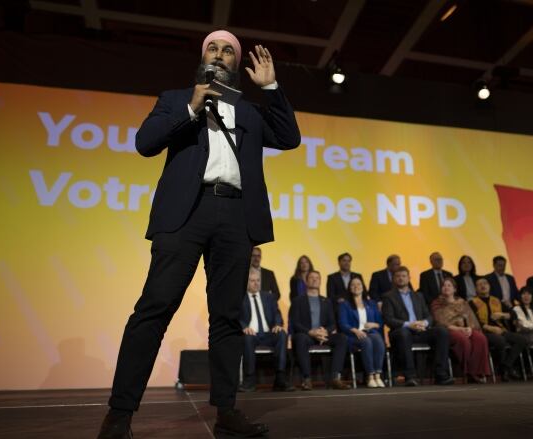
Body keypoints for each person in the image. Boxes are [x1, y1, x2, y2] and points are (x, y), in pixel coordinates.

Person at [98, 30, 301, 439]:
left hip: (236, 216)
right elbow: (144, 144)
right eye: (214, 47)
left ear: (235, 62)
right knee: (154, 309)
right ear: (202, 55)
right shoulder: (174, 98)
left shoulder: (249, 111)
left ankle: (226, 411)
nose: (221, 54)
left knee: (226, 318)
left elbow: (290, 138)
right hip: (186, 214)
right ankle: (119, 414)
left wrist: (273, 88)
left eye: (229, 50)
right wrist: (191, 109)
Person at [382, 266, 453, 386]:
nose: (401, 278)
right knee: (404, 333)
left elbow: (429, 316)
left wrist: (423, 323)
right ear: (393, 279)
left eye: (404, 276)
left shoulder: (418, 296)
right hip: (401, 332)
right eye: (398, 276)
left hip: (420, 331)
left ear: (409, 278)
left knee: (442, 332)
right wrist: (410, 325)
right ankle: (410, 376)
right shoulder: (388, 296)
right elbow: (388, 319)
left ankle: (441, 374)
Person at [288, 271, 351, 390]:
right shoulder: (298, 300)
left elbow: (333, 323)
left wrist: (325, 331)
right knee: (300, 338)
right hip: (306, 335)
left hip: (323, 336)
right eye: (311, 278)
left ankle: (335, 378)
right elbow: (295, 323)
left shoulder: (326, 301)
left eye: (317, 278)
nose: (314, 280)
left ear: (320, 281)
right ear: (306, 281)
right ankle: (307, 379)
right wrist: (311, 332)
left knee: (342, 338)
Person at [239, 269, 293, 392]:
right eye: (252, 281)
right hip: (251, 334)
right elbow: (236, 317)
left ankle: (280, 378)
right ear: (246, 282)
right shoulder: (240, 298)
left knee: (282, 334)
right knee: (247, 338)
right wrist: (244, 327)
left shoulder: (268, 297)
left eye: (258, 280)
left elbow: (277, 313)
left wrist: (278, 324)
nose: (256, 283)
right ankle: (249, 380)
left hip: (268, 334)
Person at [430, 277, 490, 383]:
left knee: (480, 338)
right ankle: (469, 373)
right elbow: (441, 321)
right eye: (444, 285)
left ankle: (478, 372)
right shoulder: (436, 303)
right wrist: (460, 329)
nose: (446, 287)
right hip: (448, 330)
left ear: (455, 289)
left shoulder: (462, 302)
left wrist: (469, 329)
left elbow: (471, 318)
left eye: (449, 285)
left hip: (464, 328)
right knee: (463, 340)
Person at [469, 277, 527, 381]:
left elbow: (513, 314)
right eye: (479, 284)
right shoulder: (472, 302)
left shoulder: (496, 300)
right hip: (484, 331)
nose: (483, 286)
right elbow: (474, 321)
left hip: (501, 330)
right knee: (500, 340)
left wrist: (502, 315)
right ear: (476, 289)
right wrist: (491, 328)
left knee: (521, 340)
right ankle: (504, 371)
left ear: (489, 286)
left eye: (485, 283)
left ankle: (506, 366)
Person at [338, 277, 386, 388]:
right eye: (353, 285)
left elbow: (380, 323)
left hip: (370, 332)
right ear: (349, 288)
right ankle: (370, 376)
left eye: (359, 284)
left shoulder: (371, 303)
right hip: (353, 335)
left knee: (378, 340)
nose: (356, 287)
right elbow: (342, 323)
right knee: (367, 341)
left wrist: (373, 324)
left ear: (363, 287)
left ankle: (378, 376)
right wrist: (355, 330)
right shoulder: (345, 304)